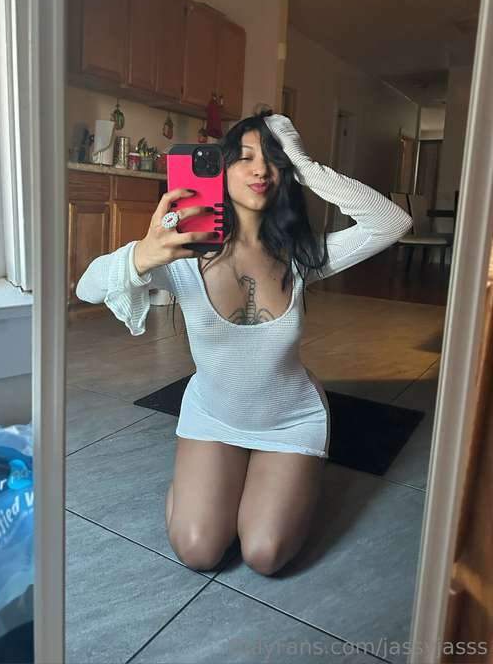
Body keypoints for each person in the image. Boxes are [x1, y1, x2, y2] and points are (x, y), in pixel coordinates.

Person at [75, 112, 413, 576]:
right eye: (245, 157)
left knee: (265, 554)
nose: (261, 170)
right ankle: (209, 484)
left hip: (290, 417)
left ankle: (285, 476)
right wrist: (142, 255)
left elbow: (392, 222)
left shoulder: (302, 255)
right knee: (198, 550)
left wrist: (306, 165)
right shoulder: (182, 253)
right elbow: (87, 288)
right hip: (214, 415)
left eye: (273, 158)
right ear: (219, 168)